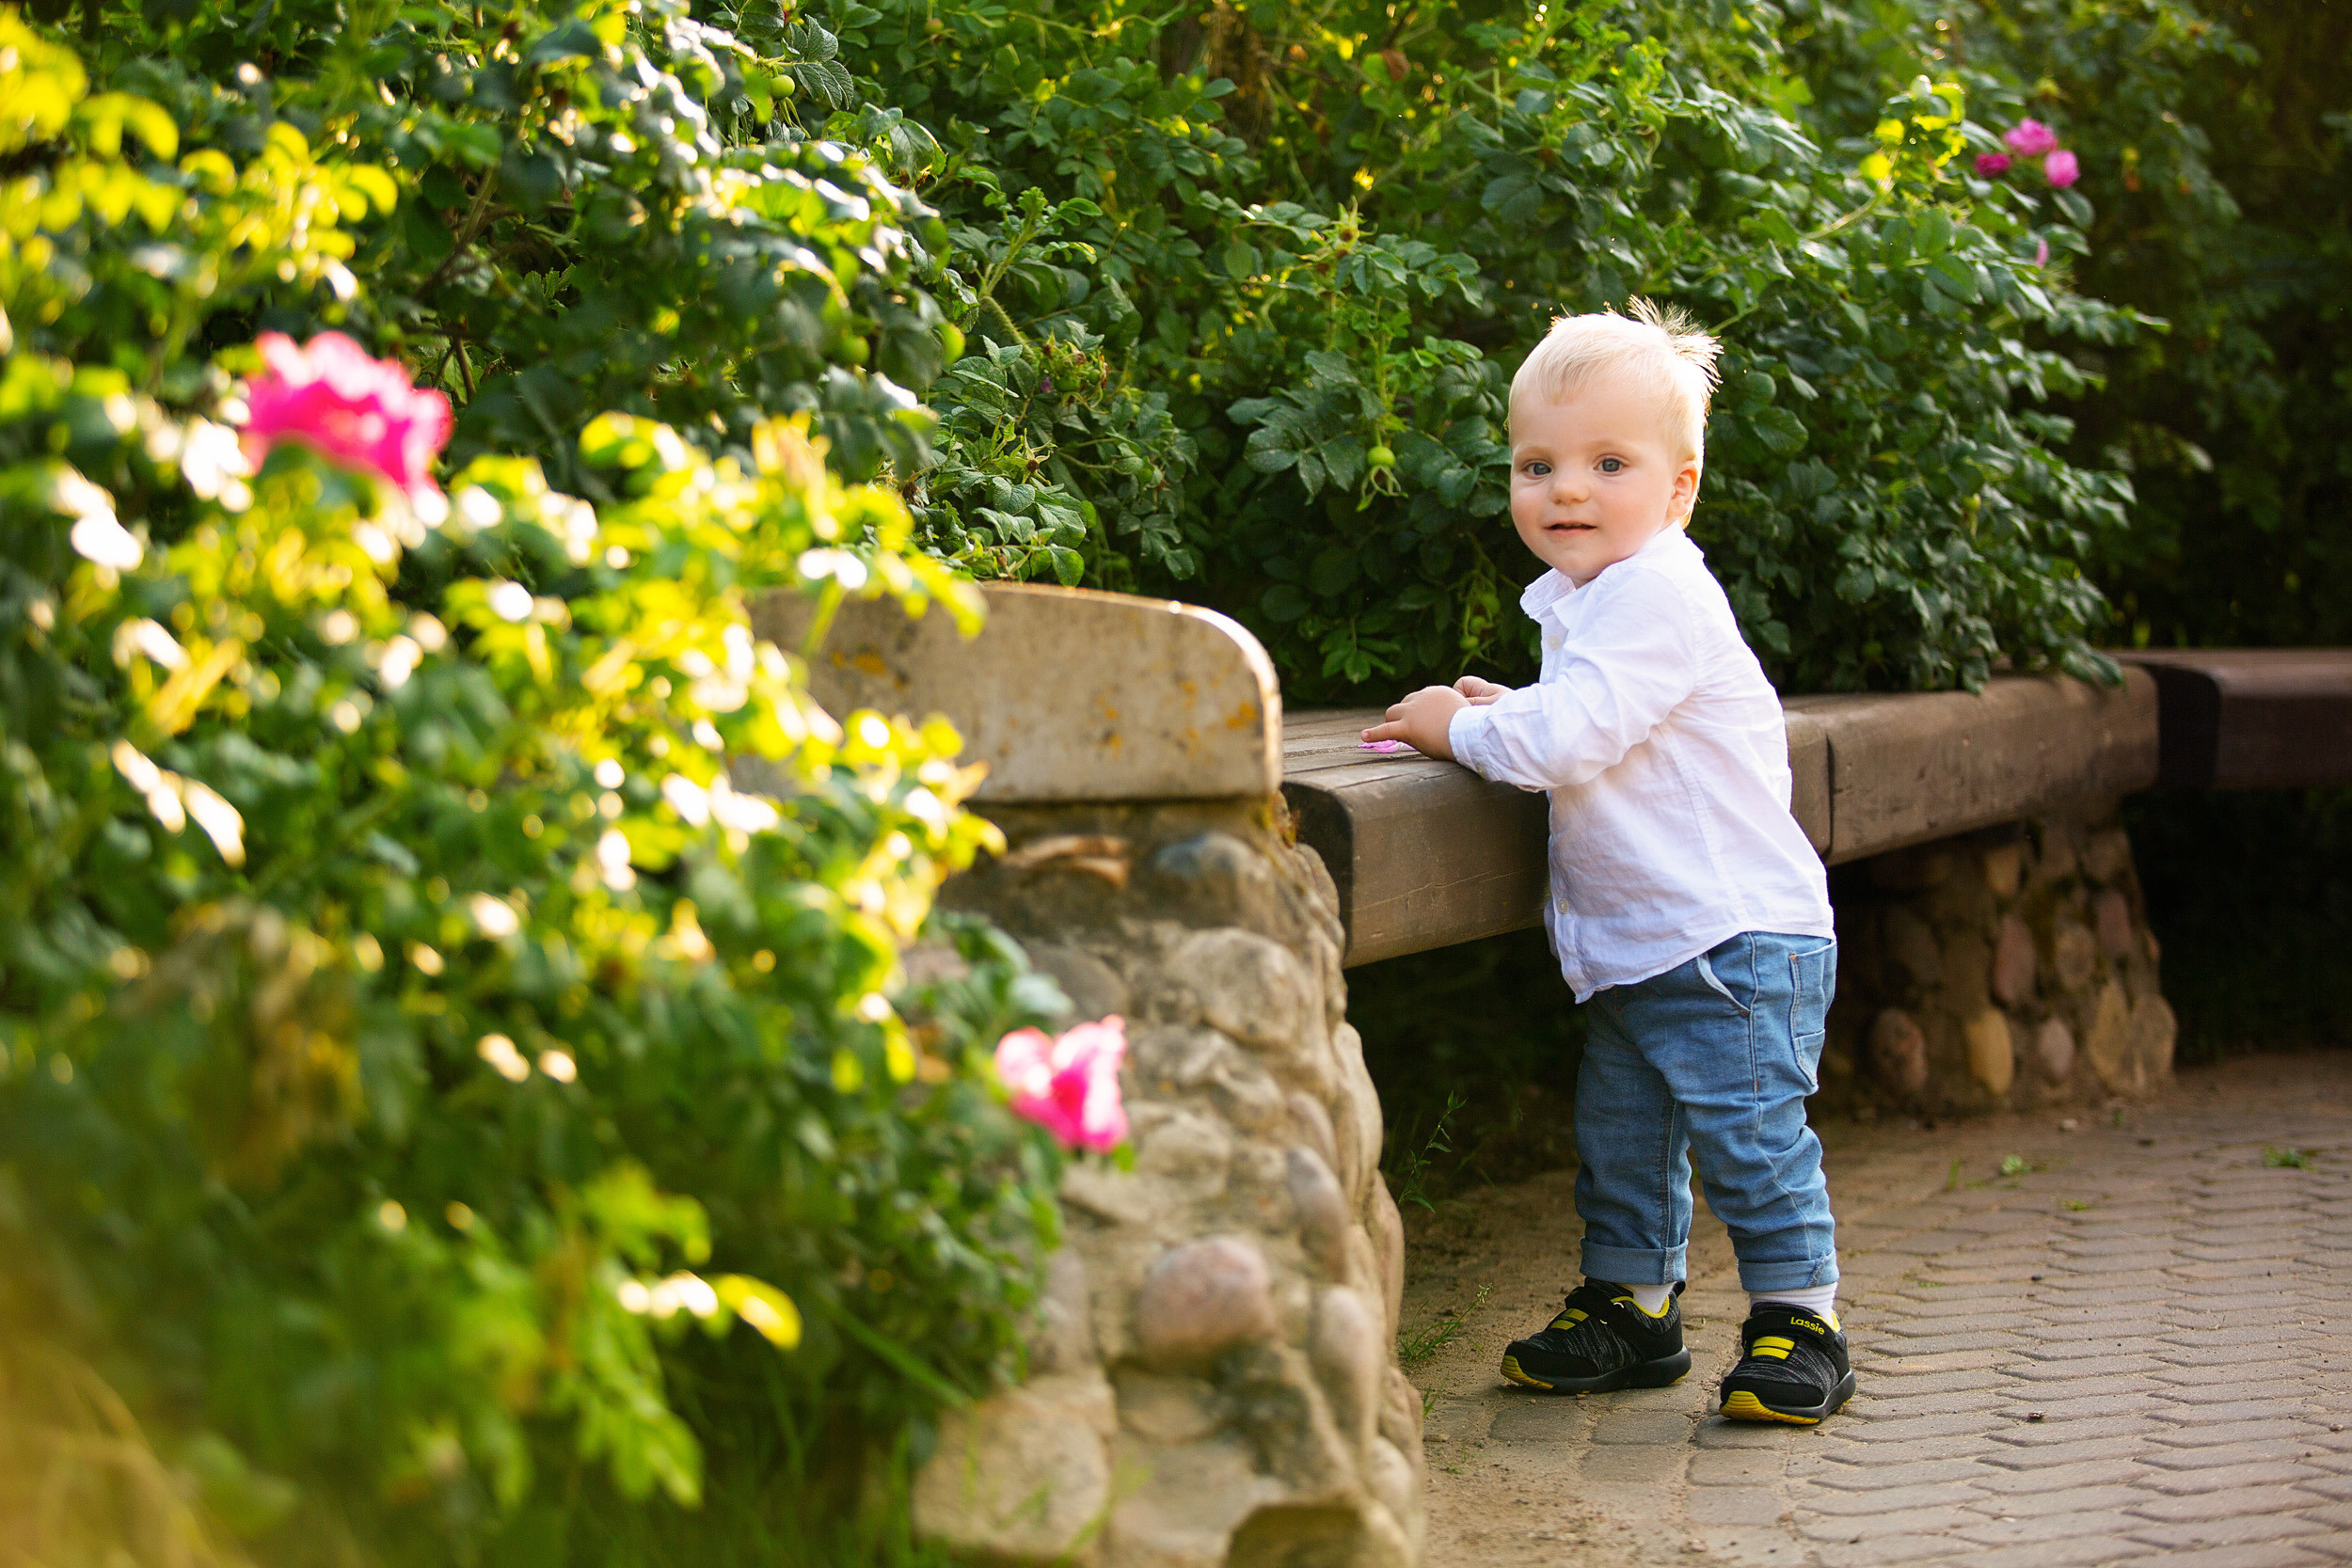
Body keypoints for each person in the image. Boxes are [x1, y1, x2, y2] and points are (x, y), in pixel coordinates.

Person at [1359, 301, 1851, 1424]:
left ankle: (1801, 1318)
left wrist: (1458, 726)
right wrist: (1514, 706)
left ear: (1679, 488)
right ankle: (1633, 1306)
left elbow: (1572, 738)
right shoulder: (1600, 596)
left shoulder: (1658, 590)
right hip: (1641, 941)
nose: (1565, 489)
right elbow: (1597, 719)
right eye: (1537, 464)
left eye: (1607, 463)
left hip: (1729, 939)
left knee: (1750, 1141)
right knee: (1623, 1139)